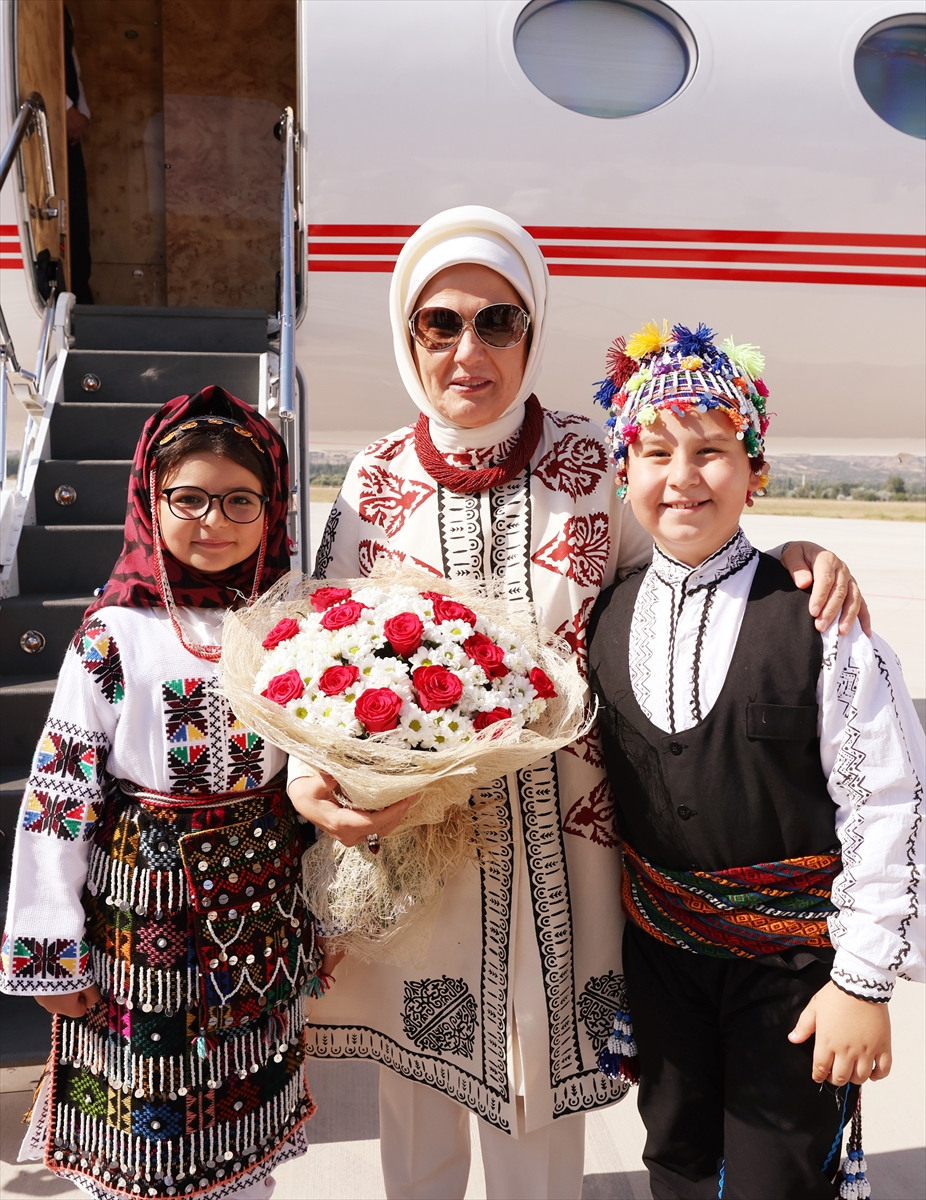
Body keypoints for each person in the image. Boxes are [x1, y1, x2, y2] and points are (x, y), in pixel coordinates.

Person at [289, 208, 865, 1200]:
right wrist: (311, 781)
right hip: (422, 853)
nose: (468, 350)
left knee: (537, 1117)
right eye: (440, 323)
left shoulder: (592, 467)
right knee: (419, 1118)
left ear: (533, 329)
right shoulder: (374, 481)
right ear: (408, 333)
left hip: (571, 852)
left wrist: (793, 561)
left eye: (497, 322)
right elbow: (311, 672)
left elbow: (693, 560)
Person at [587, 322, 925, 1200]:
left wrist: (862, 983)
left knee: (779, 1179)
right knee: (677, 1165)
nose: (684, 476)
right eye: (655, 452)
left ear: (756, 472)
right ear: (626, 472)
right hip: (662, 959)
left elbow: (888, 804)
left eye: (714, 451)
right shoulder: (603, 616)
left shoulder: (816, 618)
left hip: (794, 973)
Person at [1, 386, 320, 1199]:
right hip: (144, 915)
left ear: (272, 507)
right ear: (150, 499)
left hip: (261, 906)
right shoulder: (116, 631)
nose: (213, 521)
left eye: (240, 500)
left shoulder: (298, 621)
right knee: (144, 1125)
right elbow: (57, 793)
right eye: (189, 498)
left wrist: (327, 912)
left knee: (246, 1114)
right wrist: (49, 945)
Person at [65, 6, 93, 304]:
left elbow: (73, 69)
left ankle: (79, 303)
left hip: (69, 145)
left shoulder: (64, 13)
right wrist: (65, 108)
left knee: (77, 230)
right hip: (43, 137)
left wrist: (82, 112)